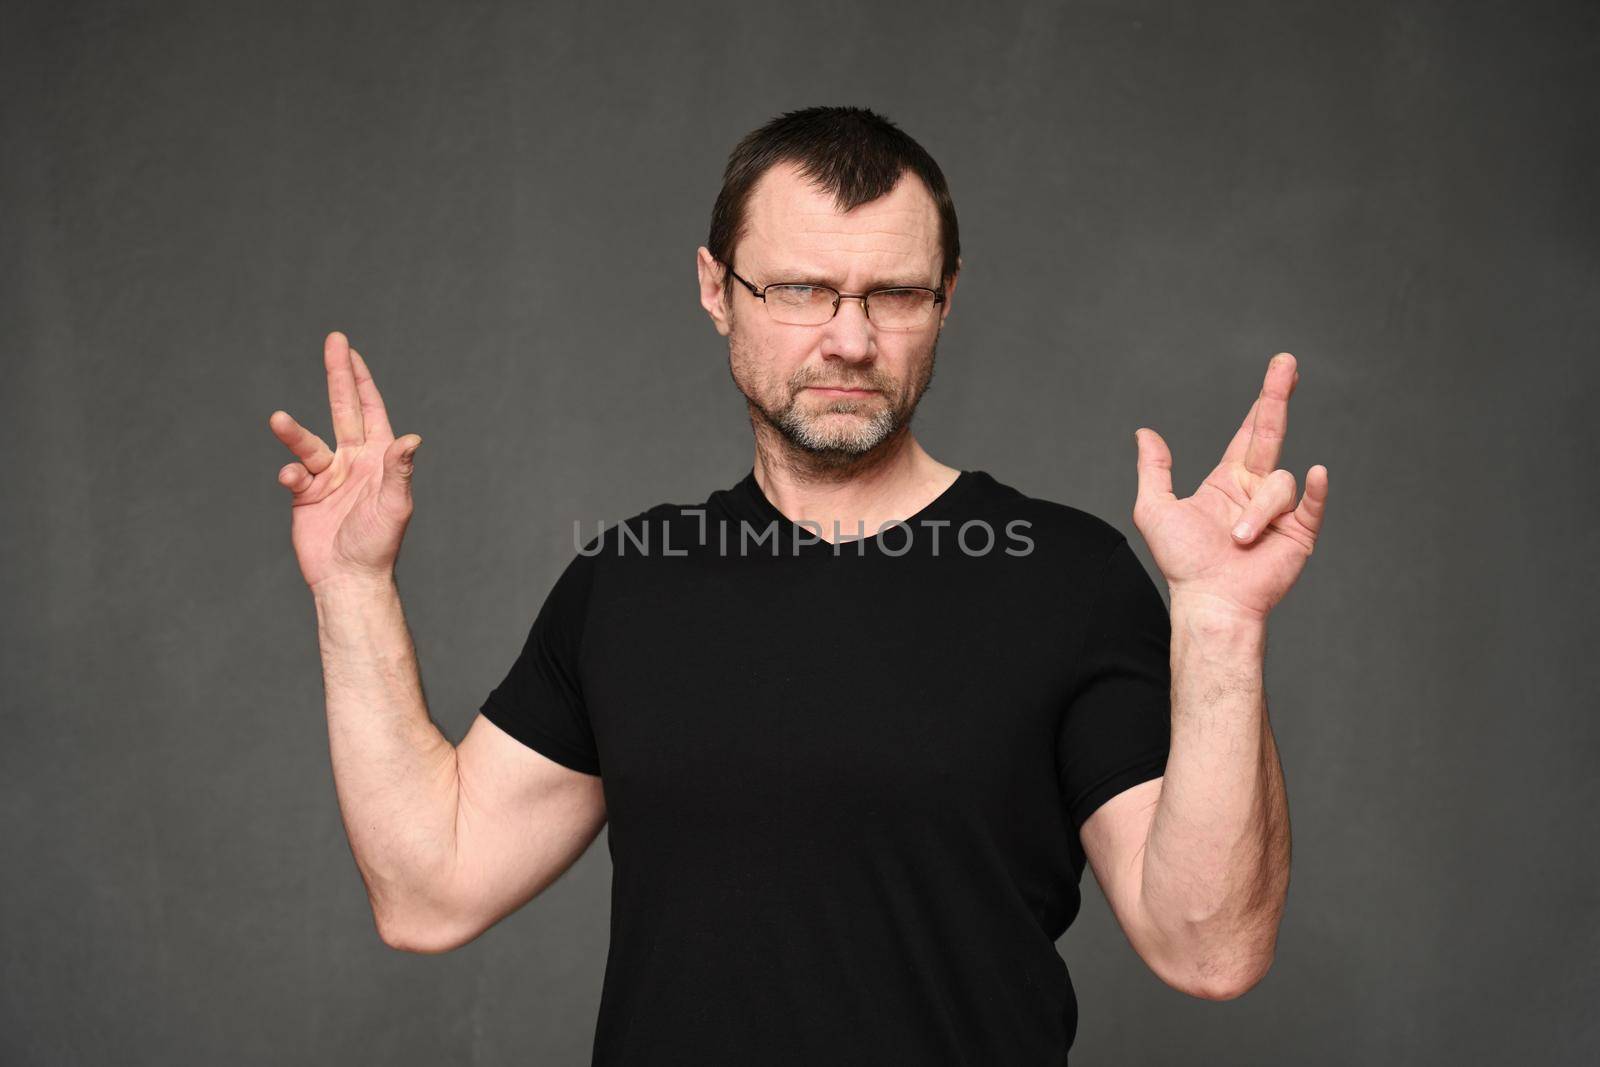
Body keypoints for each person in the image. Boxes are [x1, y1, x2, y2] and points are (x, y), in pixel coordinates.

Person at [267, 106, 1329, 1065]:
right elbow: (427, 890)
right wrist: (353, 584)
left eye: (894, 294)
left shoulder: (1065, 577)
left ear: (946, 298)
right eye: (800, 289)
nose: (850, 338)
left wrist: (1224, 623)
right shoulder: (629, 584)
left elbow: (1212, 949)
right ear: (714, 289)